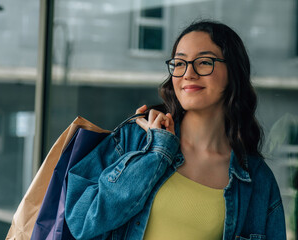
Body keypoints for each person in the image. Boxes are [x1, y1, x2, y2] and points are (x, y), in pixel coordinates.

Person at [65, 20, 286, 240]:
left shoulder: (256, 180)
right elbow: (81, 221)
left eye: (204, 62)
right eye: (179, 63)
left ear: (233, 71)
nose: (188, 73)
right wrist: (156, 152)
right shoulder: (137, 138)